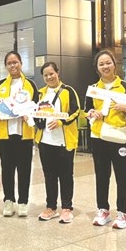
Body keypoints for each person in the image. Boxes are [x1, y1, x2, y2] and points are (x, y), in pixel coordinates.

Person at [85, 49, 126, 229]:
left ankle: (123, 212)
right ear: (97, 68)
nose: (105, 66)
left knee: (123, 175)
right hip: (98, 136)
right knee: (102, 174)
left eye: (108, 62)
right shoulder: (93, 89)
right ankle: (103, 209)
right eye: (101, 64)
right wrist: (92, 113)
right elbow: (87, 111)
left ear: (114, 64)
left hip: (120, 136)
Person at [0, 51, 39, 218]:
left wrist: (30, 114)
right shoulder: (1, 86)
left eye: (15, 62)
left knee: (24, 169)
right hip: (5, 134)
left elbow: (37, 108)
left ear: (21, 63)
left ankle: (23, 202)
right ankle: (8, 200)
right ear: (6, 66)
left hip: (24, 133)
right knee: (7, 169)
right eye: (9, 63)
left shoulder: (30, 85)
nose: (13, 65)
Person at [34, 62, 80, 223]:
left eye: (51, 73)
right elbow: (35, 113)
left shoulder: (68, 91)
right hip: (45, 141)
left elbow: (75, 111)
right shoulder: (40, 93)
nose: (49, 77)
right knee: (49, 175)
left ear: (58, 73)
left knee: (66, 175)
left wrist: (61, 122)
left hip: (64, 141)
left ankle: (66, 208)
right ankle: (51, 207)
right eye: (45, 75)